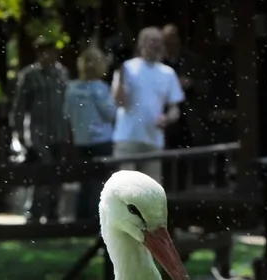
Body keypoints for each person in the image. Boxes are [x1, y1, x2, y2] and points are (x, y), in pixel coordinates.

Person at [111, 26, 185, 184]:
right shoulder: (127, 68)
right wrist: (122, 80)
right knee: (125, 190)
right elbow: (119, 102)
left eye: (158, 42)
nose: (155, 46)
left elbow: (175, 109)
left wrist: (167, 118)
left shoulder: (168, 73)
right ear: (141, 44)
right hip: (127, 138)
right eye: (151, 41)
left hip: (153, 139)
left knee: (151, 192)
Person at [10, 35, 70, 223]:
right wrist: (19, 134)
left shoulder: (62, 73)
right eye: (45, 51)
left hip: (60, 132)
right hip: (38, 134)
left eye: (52, 51)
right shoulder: (29, 76)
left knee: (57, 175)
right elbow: (19, 107)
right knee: (41, 175)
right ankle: (35, 213)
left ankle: (53, 213)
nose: (49, 55)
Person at [63, 45, 117, 222]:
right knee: (101, 183)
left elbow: (67, 114)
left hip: (81, 140)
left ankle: (81, 216)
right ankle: (97, 219)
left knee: (85, 181)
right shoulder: (100, 88)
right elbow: (110, 113)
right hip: (101, 141)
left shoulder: (71, 88)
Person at [160, 24, 203, 150]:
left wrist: (191, 83)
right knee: (167, 160)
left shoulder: (192, 60)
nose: (171, 43)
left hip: (189, 119)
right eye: (167, 40)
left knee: (189, 159)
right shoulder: (158, 64)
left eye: (174, 38)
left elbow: (206, 86)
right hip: (165, 119)